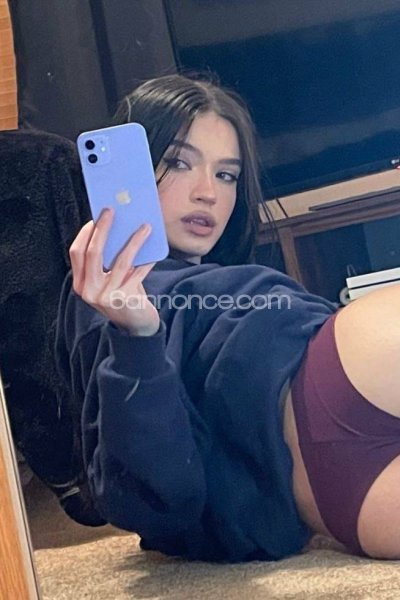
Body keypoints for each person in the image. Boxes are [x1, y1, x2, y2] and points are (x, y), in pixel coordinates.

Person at [56, 74, 400, 563]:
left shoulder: (213, 281)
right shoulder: (108, 301)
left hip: (335, 497)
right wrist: (137, 335)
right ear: (131, 172)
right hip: (335, 384)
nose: (208, 193)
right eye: (178, 163)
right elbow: (157, 502)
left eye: (226, 175)